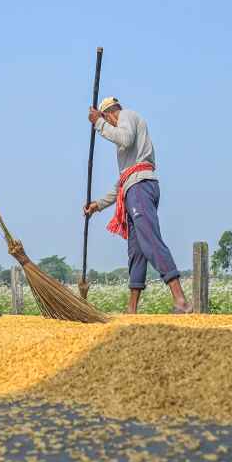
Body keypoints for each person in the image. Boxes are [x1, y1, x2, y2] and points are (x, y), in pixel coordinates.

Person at [84, 97, 192, 314]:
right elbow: (122, 182)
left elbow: (124, 138)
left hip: (141, 188)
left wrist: (98, 123)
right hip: (133, 189)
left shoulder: (126, 116)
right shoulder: (127, 152)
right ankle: (131, 308)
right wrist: (98, 205)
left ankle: (180, 300)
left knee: (150, 240)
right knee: (137, 251)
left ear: (110, 114)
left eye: (107, 120)